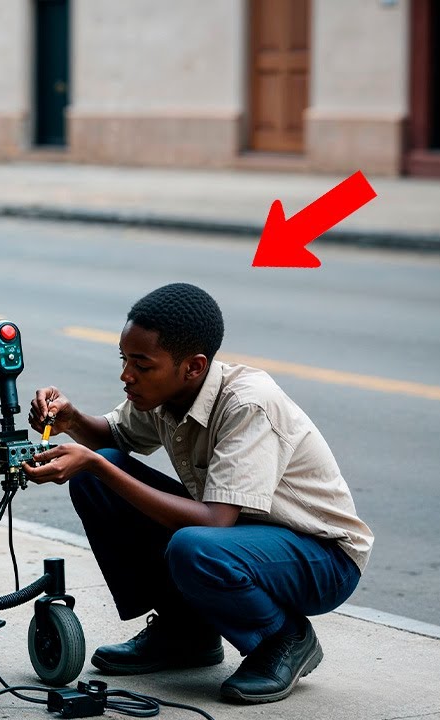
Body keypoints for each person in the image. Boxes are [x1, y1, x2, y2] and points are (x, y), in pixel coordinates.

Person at [23, 283, 372, 704]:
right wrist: (72, 419)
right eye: (124, 359)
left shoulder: (247, 404)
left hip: (322, 559)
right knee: (99, 477)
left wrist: (93, 461)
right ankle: (186, 632)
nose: (125, 375)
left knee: (192, 544)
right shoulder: (165, 392)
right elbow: (112, 436)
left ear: (193, 366)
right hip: (239, 540)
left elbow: (214, 522)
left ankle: (284, 638)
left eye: (142, 365)